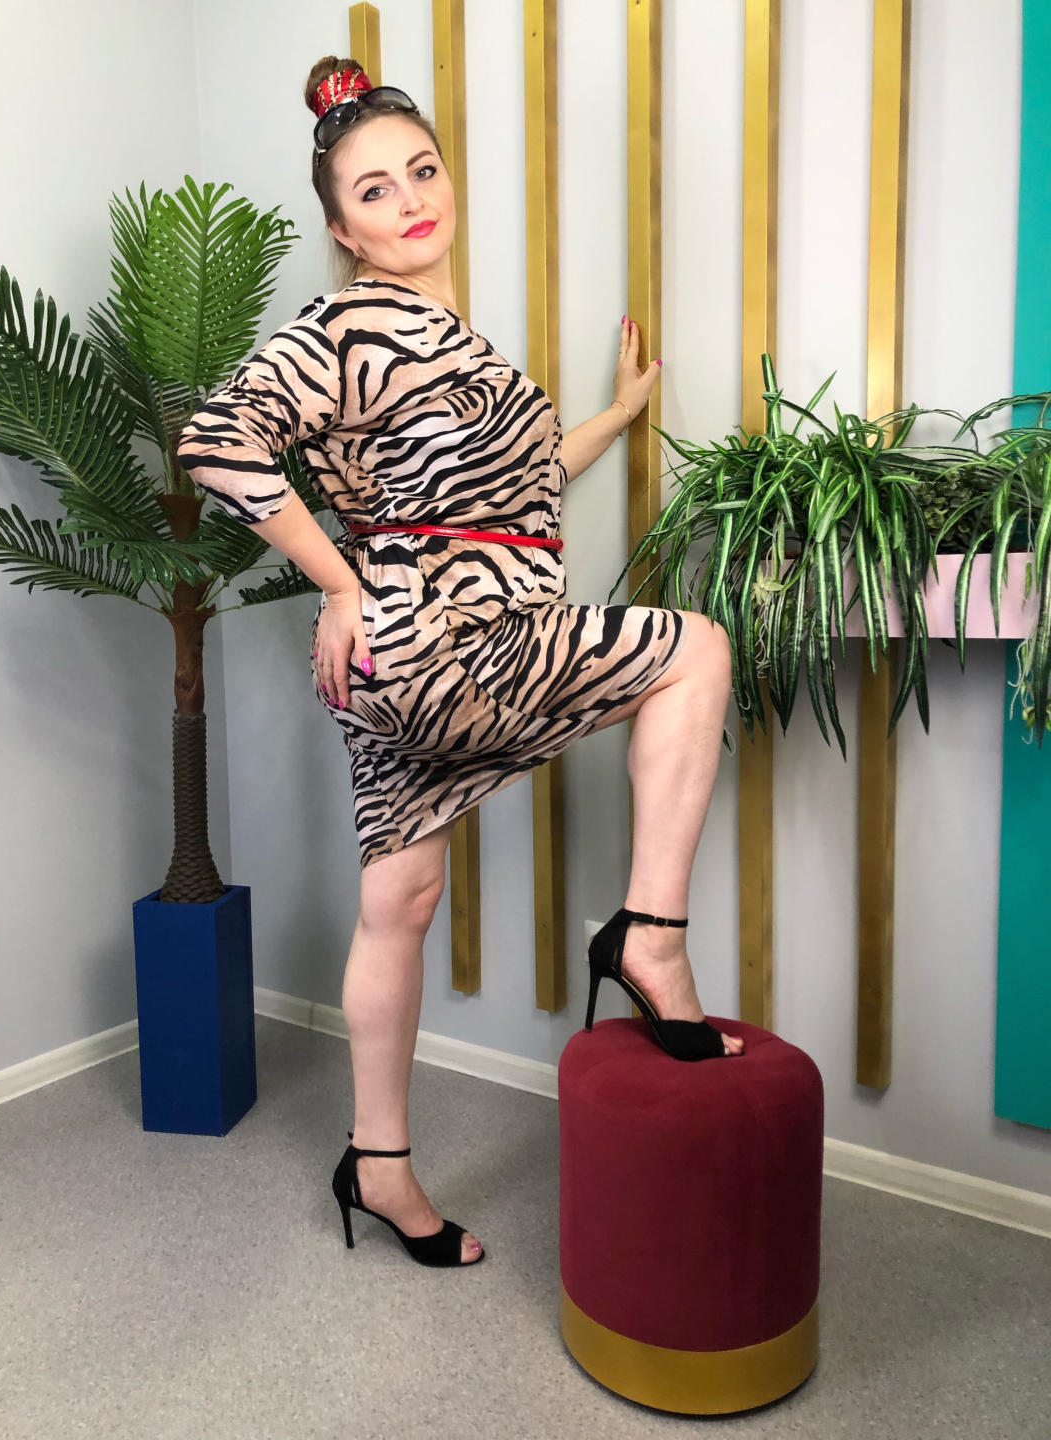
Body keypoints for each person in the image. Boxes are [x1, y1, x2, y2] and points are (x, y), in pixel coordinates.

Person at [177, 56, 743, 1272]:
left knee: (399, 902)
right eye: (374, 190)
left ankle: (378, 1166)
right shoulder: (359, 322)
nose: (411, 200)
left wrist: (617, 413)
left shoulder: (449, 344)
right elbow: (216, 439)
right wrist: (340, 584)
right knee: (695, 650)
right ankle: (649, 936)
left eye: (422, 170)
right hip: (445, 635)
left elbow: (514, 483)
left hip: (392, 663)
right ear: (344, 229)